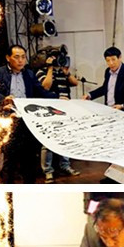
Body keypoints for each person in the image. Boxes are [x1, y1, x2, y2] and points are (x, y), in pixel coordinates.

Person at [0, 43, 57, 183]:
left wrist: (58, 99)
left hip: (27, 121)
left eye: (23, 57)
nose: (21, 60)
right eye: (17, 57)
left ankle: (29, 185)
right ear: (8, 58)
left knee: (30, 158)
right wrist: (4, 99)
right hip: (9, 121)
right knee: (10, 160)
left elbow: (41, 92)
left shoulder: (29, 74)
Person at [36, 53, 80, 181]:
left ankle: (65, 165)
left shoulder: (62, 72)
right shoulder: (41, 72)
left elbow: (75, 83)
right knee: (47, 142)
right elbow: (46, 86)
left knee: (66, 138)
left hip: (65, 109)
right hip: (49, 110)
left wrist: (67, 73)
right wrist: (50, 68)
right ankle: (48, 171)